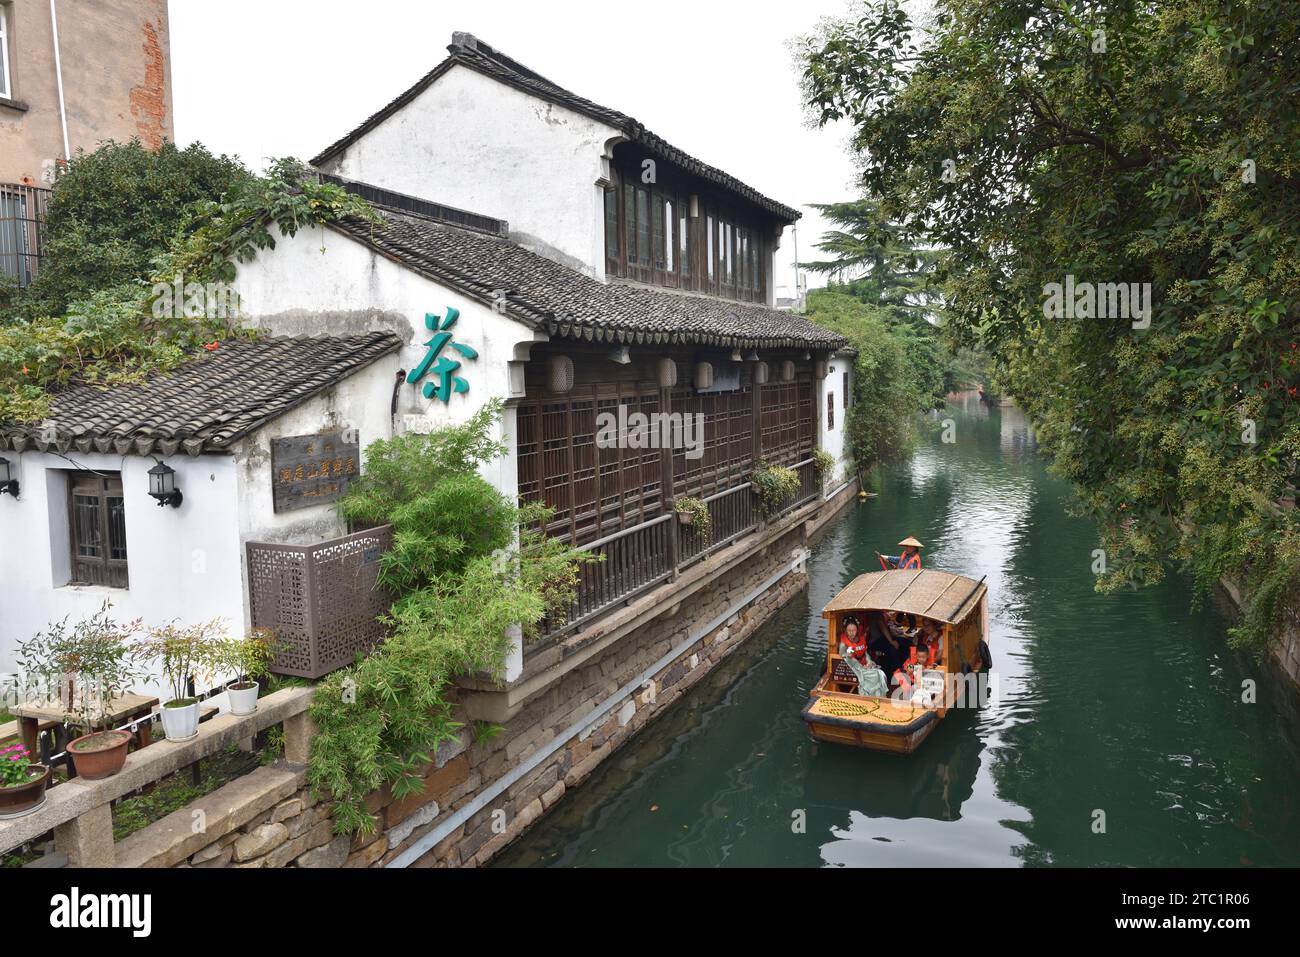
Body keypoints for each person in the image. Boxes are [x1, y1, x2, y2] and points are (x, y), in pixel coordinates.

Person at [838, 618, 888, 697]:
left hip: (864, 664)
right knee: (875, 676)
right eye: (849, 630)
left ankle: (879, 696)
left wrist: (869, 662)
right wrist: (848, 655)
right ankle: (870, 696)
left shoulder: (861, 639)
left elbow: (865, 652)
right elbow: (841, 655)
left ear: (857, 630)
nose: (851, 633)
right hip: (854, 667)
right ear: (845, 630)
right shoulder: (843, 643)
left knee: (881, 674)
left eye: (853, 630)